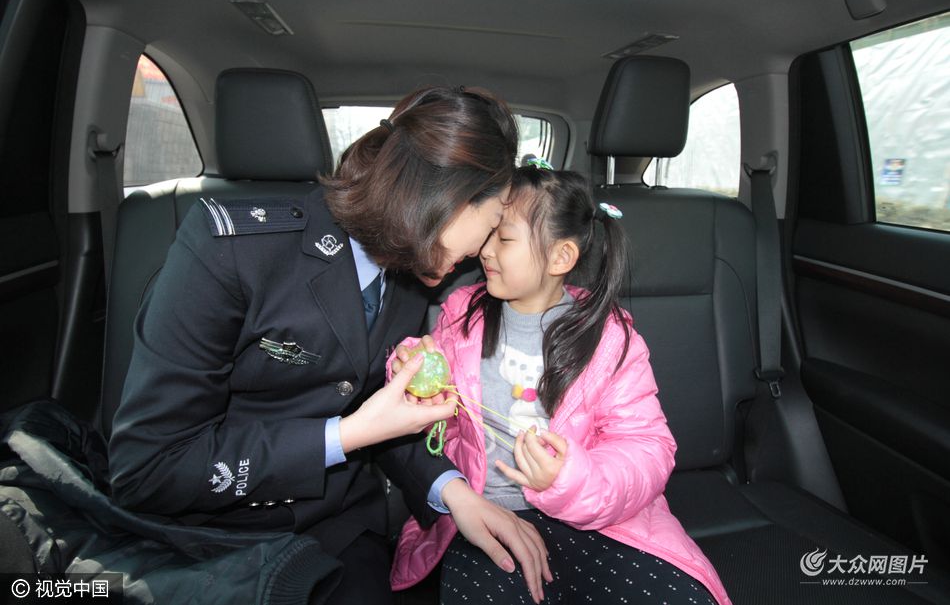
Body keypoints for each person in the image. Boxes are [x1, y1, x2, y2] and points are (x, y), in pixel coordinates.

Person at [108, 86, 551, 604]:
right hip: (207, 537)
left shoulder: (414, 269)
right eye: (493, 222)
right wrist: (345, 435)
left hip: (337, 529)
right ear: (446, 199)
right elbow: (148, 469)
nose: (482, 249)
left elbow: (381, 410)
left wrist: (454, 492)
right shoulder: (230, 250)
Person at [387, 163, 732, 604]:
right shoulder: (462, 317)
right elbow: (440, 425)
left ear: (560, 258)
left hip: (600, 518)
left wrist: (570, 480)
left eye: (504, 239)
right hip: (486, 513)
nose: (484, 251)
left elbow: (646, 445)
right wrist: (412, 375)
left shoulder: (608, 338)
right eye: (489, 232)